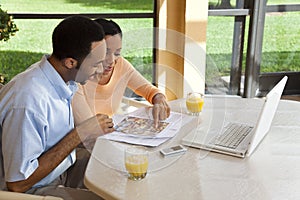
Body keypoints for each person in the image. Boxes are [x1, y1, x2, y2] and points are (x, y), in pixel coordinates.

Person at [0, 15, 114, 200]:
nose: (101, 70)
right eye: (96, 64)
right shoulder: (28, 101)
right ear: (70, 62)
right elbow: (18, 183)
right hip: (32, 190)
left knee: (118, 170)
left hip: (61, 169)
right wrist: (79, 134)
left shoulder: (59, 78)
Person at [72, 18, 170, 128]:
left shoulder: (121, 65)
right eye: (105, 52)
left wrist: (159, 100)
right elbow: (87, 128)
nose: (111, 60)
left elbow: (150, 91)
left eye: (117, 53)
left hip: (110, 133)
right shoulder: (79, 77)